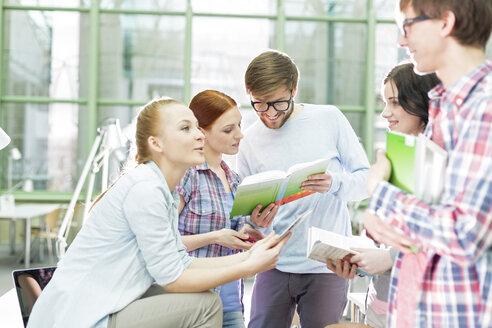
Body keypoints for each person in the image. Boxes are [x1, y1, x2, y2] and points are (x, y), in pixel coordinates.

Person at [28, 97, 290, 328]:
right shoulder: (145, 190)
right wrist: (247, 266)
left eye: (197, 127)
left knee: (205, 298)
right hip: (81, 317)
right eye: (186, 128)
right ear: (156, 143)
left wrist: (248, 258)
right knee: (207, 305)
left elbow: (181, 262)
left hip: (103, 308)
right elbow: (173, 279)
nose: (199, 135)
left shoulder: (163, 190)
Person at [364, 0, 492, 327]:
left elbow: (464, 234)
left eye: (407, 26)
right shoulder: (443, 110)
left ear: (445, 23)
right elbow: (432, 220)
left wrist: (381, 193)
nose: (401, 41)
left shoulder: (484, 109)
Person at [237, 50, 370, 328]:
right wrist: (255, 222)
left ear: (294, 90)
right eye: (259, 104)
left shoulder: (329, 119)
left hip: (325, 263)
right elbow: (246, 212)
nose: (270, 114)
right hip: (272, 263)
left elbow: (366, 180)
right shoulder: (248, 140)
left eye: (278, 103)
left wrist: (334, 183)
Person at [326, 61, 440, 328]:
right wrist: (361, 259)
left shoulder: (435, 161)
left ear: (420, 101)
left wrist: (387, 259)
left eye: (395, 103)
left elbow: (439, 238)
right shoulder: (399, 154)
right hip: (382, 302)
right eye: (384, 103)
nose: (385, 113)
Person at [177, 90, 271, 328]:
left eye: (239, 125)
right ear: (202, 132)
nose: (239, 135)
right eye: (228, 130)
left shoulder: (236, 180)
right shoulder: (185, 177)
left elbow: (236, 237)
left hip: (232, 304)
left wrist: (254, 228)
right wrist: (217, 237)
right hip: (194, 303)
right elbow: (164, 242)